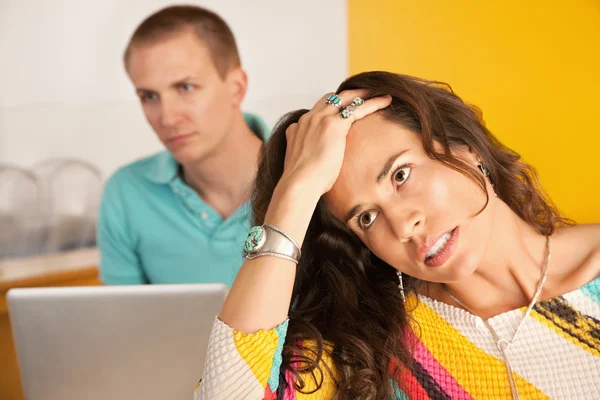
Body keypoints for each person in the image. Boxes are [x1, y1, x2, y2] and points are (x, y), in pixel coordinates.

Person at [194, 71, 600, 399]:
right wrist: (295, 192)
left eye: (400, 175)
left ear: (466, 147)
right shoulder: (368, 349)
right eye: (367, 218)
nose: (403, 226)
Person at [97, 5, 269, 286]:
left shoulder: (310, 175)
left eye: (185, 88)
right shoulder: (125, 193)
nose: (167, 117)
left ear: (236, 87)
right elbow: (122, 326)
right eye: (149, 96)